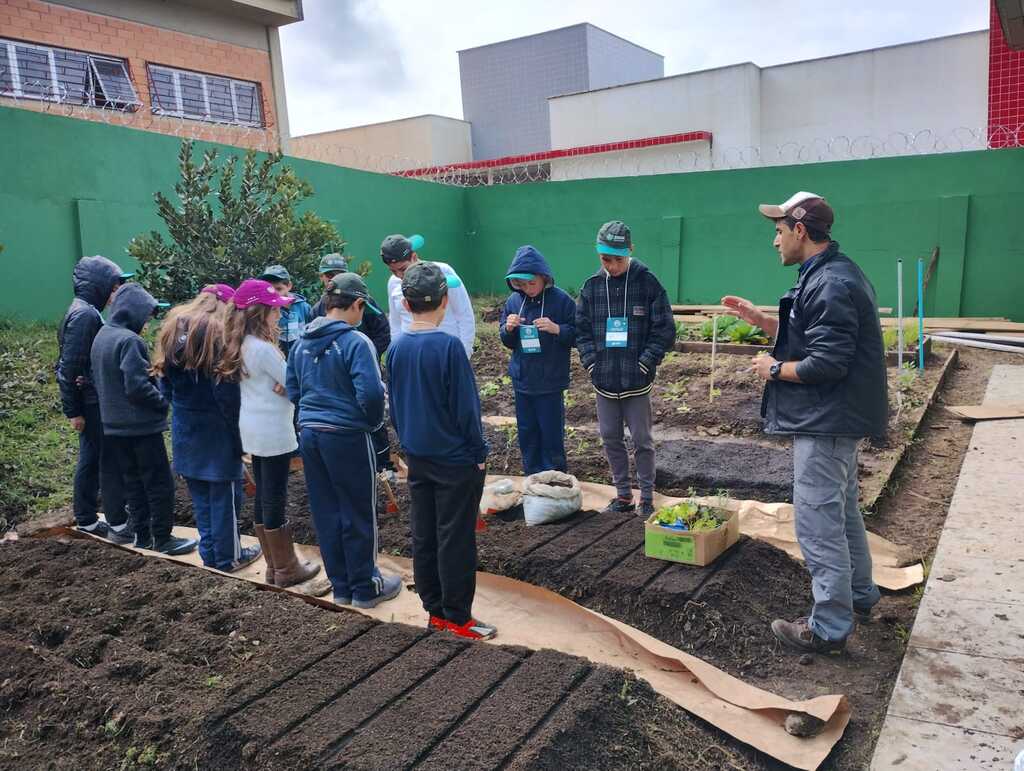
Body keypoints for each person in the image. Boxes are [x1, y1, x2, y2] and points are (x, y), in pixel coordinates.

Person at [722, 191, 885, 655]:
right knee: (843, 511)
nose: (774, 241)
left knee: (818, 524)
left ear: (799, 230)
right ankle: (859, 594)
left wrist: (772, 369)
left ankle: (829, 628)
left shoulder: (830, 283)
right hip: (837, 417)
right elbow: (811, 336)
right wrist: (763, 322)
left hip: (827, 419)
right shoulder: (827, 274)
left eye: (778, 231)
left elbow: (827, 364)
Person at [386, 262, 495, 640]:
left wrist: (408, 443)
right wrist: (479, 451)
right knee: (456, 536)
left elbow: (394, 409)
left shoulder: (396, 349)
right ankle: (458, 616)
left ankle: (434, 610)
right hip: (454, 460)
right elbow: (466, 409)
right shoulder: (448, 347)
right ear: (444, 301)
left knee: (425, 532)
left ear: (407, 304)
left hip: (418, 458)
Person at [286, 273, 401, 608]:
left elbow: (293, 389)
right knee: (358, 510)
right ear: (357, 304)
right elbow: (369, 394)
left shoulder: (301, 343)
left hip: (310, 435)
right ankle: (366, 588)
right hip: (347, 437)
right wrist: (369, 423)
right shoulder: (356, 342)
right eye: (363, 309)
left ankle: (342, 587)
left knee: (326, 509)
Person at [220, 278, 326, 592]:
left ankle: (273, 566)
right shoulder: (264, 350)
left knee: (264, 493)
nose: (278, 315)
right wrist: (290, 385)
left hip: (252, 427)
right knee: (275, 494)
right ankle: (286, 568)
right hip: (274, 430)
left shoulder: (239, 344)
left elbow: (287, 383)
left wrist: (287, 385)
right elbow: (296, 382)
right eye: (274, 310)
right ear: (259, 312)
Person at [154, 289, 260, 572]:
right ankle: (229, 558)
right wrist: (241, 435)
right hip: (218, 433)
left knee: (201, 496)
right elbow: (227, 396)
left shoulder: (175, 330)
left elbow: (164, 387)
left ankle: (210, 553)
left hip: (186, 431)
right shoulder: (219, 335)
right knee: (226, 497)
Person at [575, 221, 675, 518]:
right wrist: (592, 363)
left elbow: (665, 330)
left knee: (642, 440)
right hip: (604, 380)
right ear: (598, 255)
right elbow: (582, 331)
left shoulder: (648, 284)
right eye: (606, 259)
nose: (613, 265)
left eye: (618, 259)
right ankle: (622, 495)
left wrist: (645, 362)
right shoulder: (591, 287)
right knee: (610, 437)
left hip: (636, 381)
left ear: (630, 252)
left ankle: (645, 497)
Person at [90, 283, 196, 555]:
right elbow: (136, 386)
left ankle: (142, 535)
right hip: (140, 427)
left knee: (133, 482)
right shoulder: (129, 341)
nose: (148, 321)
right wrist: (162, 401)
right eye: (147, 315)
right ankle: (163, 538)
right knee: (159, 483)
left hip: (113, 426)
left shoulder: (103, 335)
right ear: (133, 310)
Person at [56, 255, 134, 541]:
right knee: (98, 459)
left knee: (93, 457)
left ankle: (88, 517)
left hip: (89, 397)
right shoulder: (86, 315)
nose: (118, 292)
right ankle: (94, 518)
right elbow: (68, 367)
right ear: (99, 285)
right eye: (115, 285)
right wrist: (73, 410)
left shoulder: (85, 311)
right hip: (89, 402)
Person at [499, 245, 577, 475]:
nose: (527, 289)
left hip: (550, 381)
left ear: (544, 277)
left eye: (531, 283)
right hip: (523, 380)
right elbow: (507, 341)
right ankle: (532, 474)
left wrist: (556, 329)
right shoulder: (513, 301)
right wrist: (508, 328)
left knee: (551, 431)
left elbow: (579, 334)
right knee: (527, 431)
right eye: (522, 284)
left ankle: (555, 475)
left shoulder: (562, 301)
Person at [380, 234, 475, 360]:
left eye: (402, 269)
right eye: (393, 271)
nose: (399, 275)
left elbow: (464, 314)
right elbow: (396, 322)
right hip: (411, 355)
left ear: (414, 257)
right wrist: (397, 354)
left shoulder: (443, 272)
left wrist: (464, 354)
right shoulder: (393, 283)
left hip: (447, 353)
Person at [309, 253, 391, 358]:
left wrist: (365, 354)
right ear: (321, 277)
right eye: (330, 275)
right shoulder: (317, 310)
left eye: (340, 274)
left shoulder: (363, 301)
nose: (335, 278)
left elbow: (383, 332)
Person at [258, 265, 313, 357]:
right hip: (277, 357)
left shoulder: (303, 307)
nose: (274, 293)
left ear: (289, 286)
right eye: (270, 289)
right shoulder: (265, 309)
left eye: (278, 289)